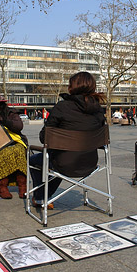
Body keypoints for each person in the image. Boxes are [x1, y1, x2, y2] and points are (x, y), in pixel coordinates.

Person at [29, 71, 106, 209]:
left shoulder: (62, 107)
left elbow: (44, 138)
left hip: (64, 164)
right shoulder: (99, 111)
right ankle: (44, 196)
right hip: (90, 164)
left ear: (73, 87)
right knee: (57, 157)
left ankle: (41, 197)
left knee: (36, 160)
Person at [0, 93, 28, 199]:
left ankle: (22, 186)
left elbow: (19, 126)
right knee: (5, 153)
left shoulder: (11, 113)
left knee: (18, 151)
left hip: (16, 141)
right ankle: (3, 187)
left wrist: (2, 120)